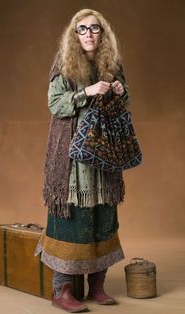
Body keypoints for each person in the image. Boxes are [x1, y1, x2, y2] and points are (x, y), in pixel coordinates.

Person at [35, 8, 130, 313]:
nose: (89, 34)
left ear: (103, 33)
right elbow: (55, 103)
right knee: (72, 220)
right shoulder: (64, 63)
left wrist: (119, 90)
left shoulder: (111, 64)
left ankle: (97, 285)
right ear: (74, 35)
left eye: (95, 28)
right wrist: (87, 92)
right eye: (82, 29)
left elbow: (125, 102)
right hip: (73, 161)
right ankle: (61, 290)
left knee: (103, 216)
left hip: (105, 156)